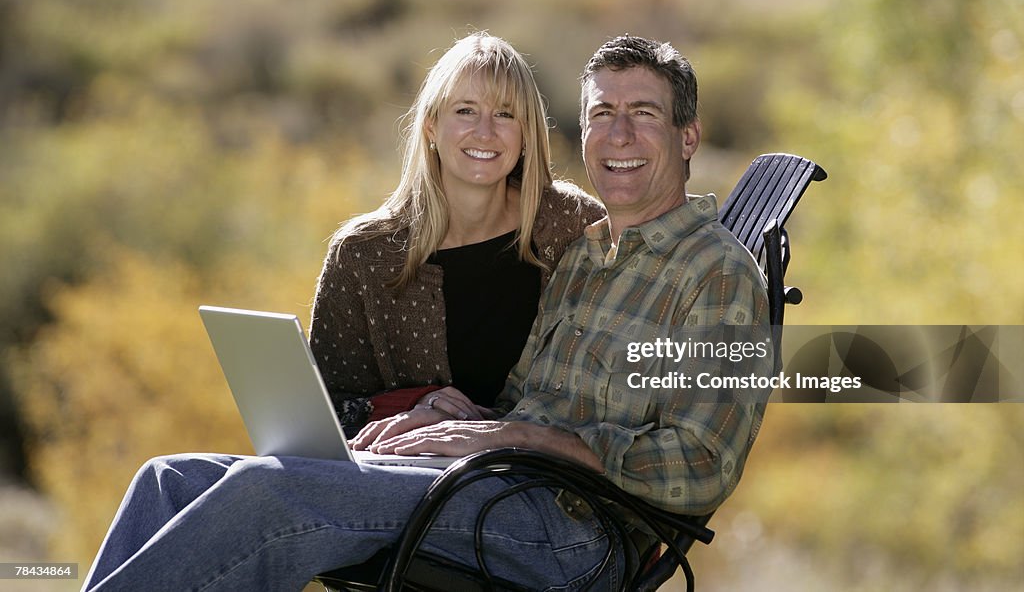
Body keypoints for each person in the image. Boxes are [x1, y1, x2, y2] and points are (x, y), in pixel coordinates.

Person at [82, 35, 773, 592]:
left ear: (688, 137)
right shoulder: (589, 255)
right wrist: (452, 416)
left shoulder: (714, 272)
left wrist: (530, 441)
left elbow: (703, 462)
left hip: (569, 531)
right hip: (496, 483)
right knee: (169, 478)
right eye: (601, 115)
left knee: (275, 492)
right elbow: (522, 403)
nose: (618, 135)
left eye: (644, 114)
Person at [308, 32, 603, 432]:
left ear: (526, 133)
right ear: (431, 126)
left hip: (533, 478)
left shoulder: (572, 224)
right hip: (398, 477)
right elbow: (321, 415)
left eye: (505, 114)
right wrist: (414, 404)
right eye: (465, 111)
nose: (485, 132)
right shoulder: (363, 254)